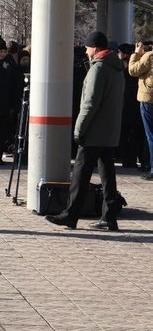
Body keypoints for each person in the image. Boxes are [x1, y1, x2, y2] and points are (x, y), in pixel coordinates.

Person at [46, 31, 124, 231]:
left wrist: (79, 129)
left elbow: (90, 103)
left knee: (80, 174)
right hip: (109, 131)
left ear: (95, 48)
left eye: (88, 47)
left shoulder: (99, 69)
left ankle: (70, 215)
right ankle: (109, 216)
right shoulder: (116, 68)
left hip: (94, 132)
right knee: (108, 176)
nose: (86, 51)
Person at [128, 40, 153, 181]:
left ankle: (151, 167)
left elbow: (133, 70)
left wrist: (136, 54)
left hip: (148, 99)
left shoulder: (149, 56)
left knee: (150, 135)